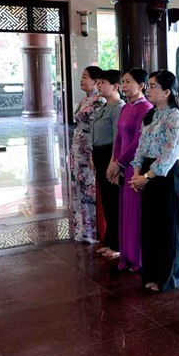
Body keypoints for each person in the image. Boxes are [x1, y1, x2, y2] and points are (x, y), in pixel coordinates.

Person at [128, 71, 179, 293]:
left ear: (166, 92)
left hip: (165, 176)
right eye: (149, 86)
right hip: (147, 173)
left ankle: (168, 277)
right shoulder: (152, 115)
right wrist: (137, 170)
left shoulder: (175, 117)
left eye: (153, 86)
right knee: (151, 227)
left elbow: (170, 154)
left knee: (168, 228)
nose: (148, 90)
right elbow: (141, 147)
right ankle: (152, 273)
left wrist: (146, 177)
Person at [107, 68, 152, 270]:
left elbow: (137, 142)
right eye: (123, 82)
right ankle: (126, 256)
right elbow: (119, 138)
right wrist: (114, 161)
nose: (124, 86)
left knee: (135, 212)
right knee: (124, 210)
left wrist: (121, 163)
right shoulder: (126, 107)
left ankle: (137, 258)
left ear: (142, 85)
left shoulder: (146, 108)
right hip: (123, 164)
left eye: (128, 82)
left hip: (136, 166)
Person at [90, 69, 124, 258]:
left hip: (110, 155)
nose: (99, 85)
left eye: (103, 82)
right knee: (106, 199)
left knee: (113, 200)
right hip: (99, 154)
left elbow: (117, 138)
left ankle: (117, 244)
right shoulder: (104, 106)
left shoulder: (119, 107)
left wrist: (114, 162)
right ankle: (109, 241)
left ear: (115, 86)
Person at [70, 65, 105, 243]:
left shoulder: (100, 101)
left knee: (89, 188)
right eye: (82, 76)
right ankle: (82, 228)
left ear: (97, 81)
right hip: (78, 148)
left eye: (85, 77)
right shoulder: (85, 100)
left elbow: (96, 129)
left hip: (89, 148)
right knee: (79, 188)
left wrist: (91, 151)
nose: (81, 80)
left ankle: (92, 230)